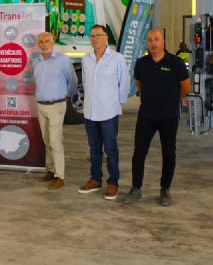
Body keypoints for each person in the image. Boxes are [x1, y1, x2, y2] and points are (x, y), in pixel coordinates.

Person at [124, 28, 191, 206]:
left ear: (163, 41)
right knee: (139, 152)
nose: (153, 43)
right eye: (150, 40)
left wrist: (172, 101)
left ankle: (165, 189)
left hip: (169, 116)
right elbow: (139, 84)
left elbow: (185, 87)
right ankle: (136, 188)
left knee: (168, 153)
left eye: (156, 39)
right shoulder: (141, 64)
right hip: (146, 116)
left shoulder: (176, 63)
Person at [78, 24, 130, 200]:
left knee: (110, 149)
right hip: (90, 112)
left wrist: (116, 103)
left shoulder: (117, 58)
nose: (95, 39)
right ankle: (95, 179)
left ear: (106, 37)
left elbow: (124, 84)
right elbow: (85, 83)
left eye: (98, 35)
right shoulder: (86, 59)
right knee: (94, 149)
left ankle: (113, 182)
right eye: (92, 36)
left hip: (108, 112)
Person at [33, 32, 77, 190]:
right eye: (41, 41)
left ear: (53, 42)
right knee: (46, 140)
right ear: (38, 44)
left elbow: (72, 80)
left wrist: (66, 96)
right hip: (41, 105)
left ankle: (60, 176)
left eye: (47, 41)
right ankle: (52, 170)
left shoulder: (63, 60)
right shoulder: (36, 61)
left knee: (55, 140)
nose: (44, 44)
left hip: (56, 105)